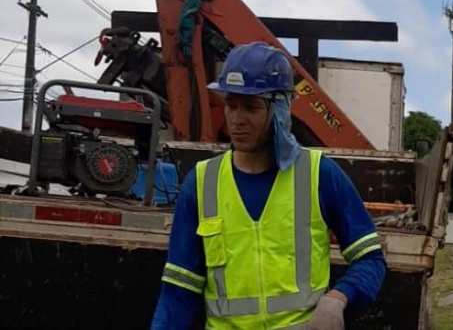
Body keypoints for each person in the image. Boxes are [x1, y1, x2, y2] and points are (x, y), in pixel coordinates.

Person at [150, 42, 386, 330]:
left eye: (251, 107)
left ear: (282, 109)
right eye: (231, 105)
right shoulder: (200, 184)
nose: (237, 120)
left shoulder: (318, 175)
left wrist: (337, 298)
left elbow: (370, 259)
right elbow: (178, 293)